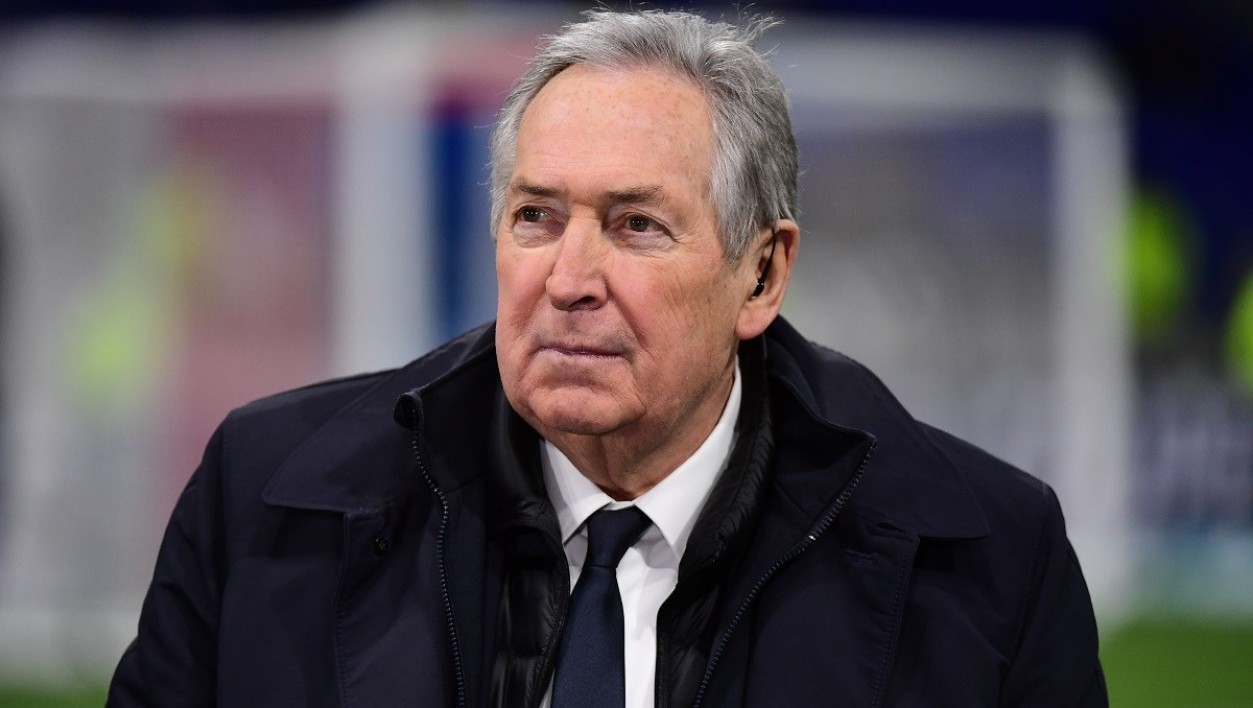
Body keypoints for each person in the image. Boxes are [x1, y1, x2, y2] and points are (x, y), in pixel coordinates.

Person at [108, 9, 1106, 707]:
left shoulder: (990, 563)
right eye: (536, 217)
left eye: (635, 226)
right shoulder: (263, 498)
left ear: (761, 274)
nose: (569, 278)